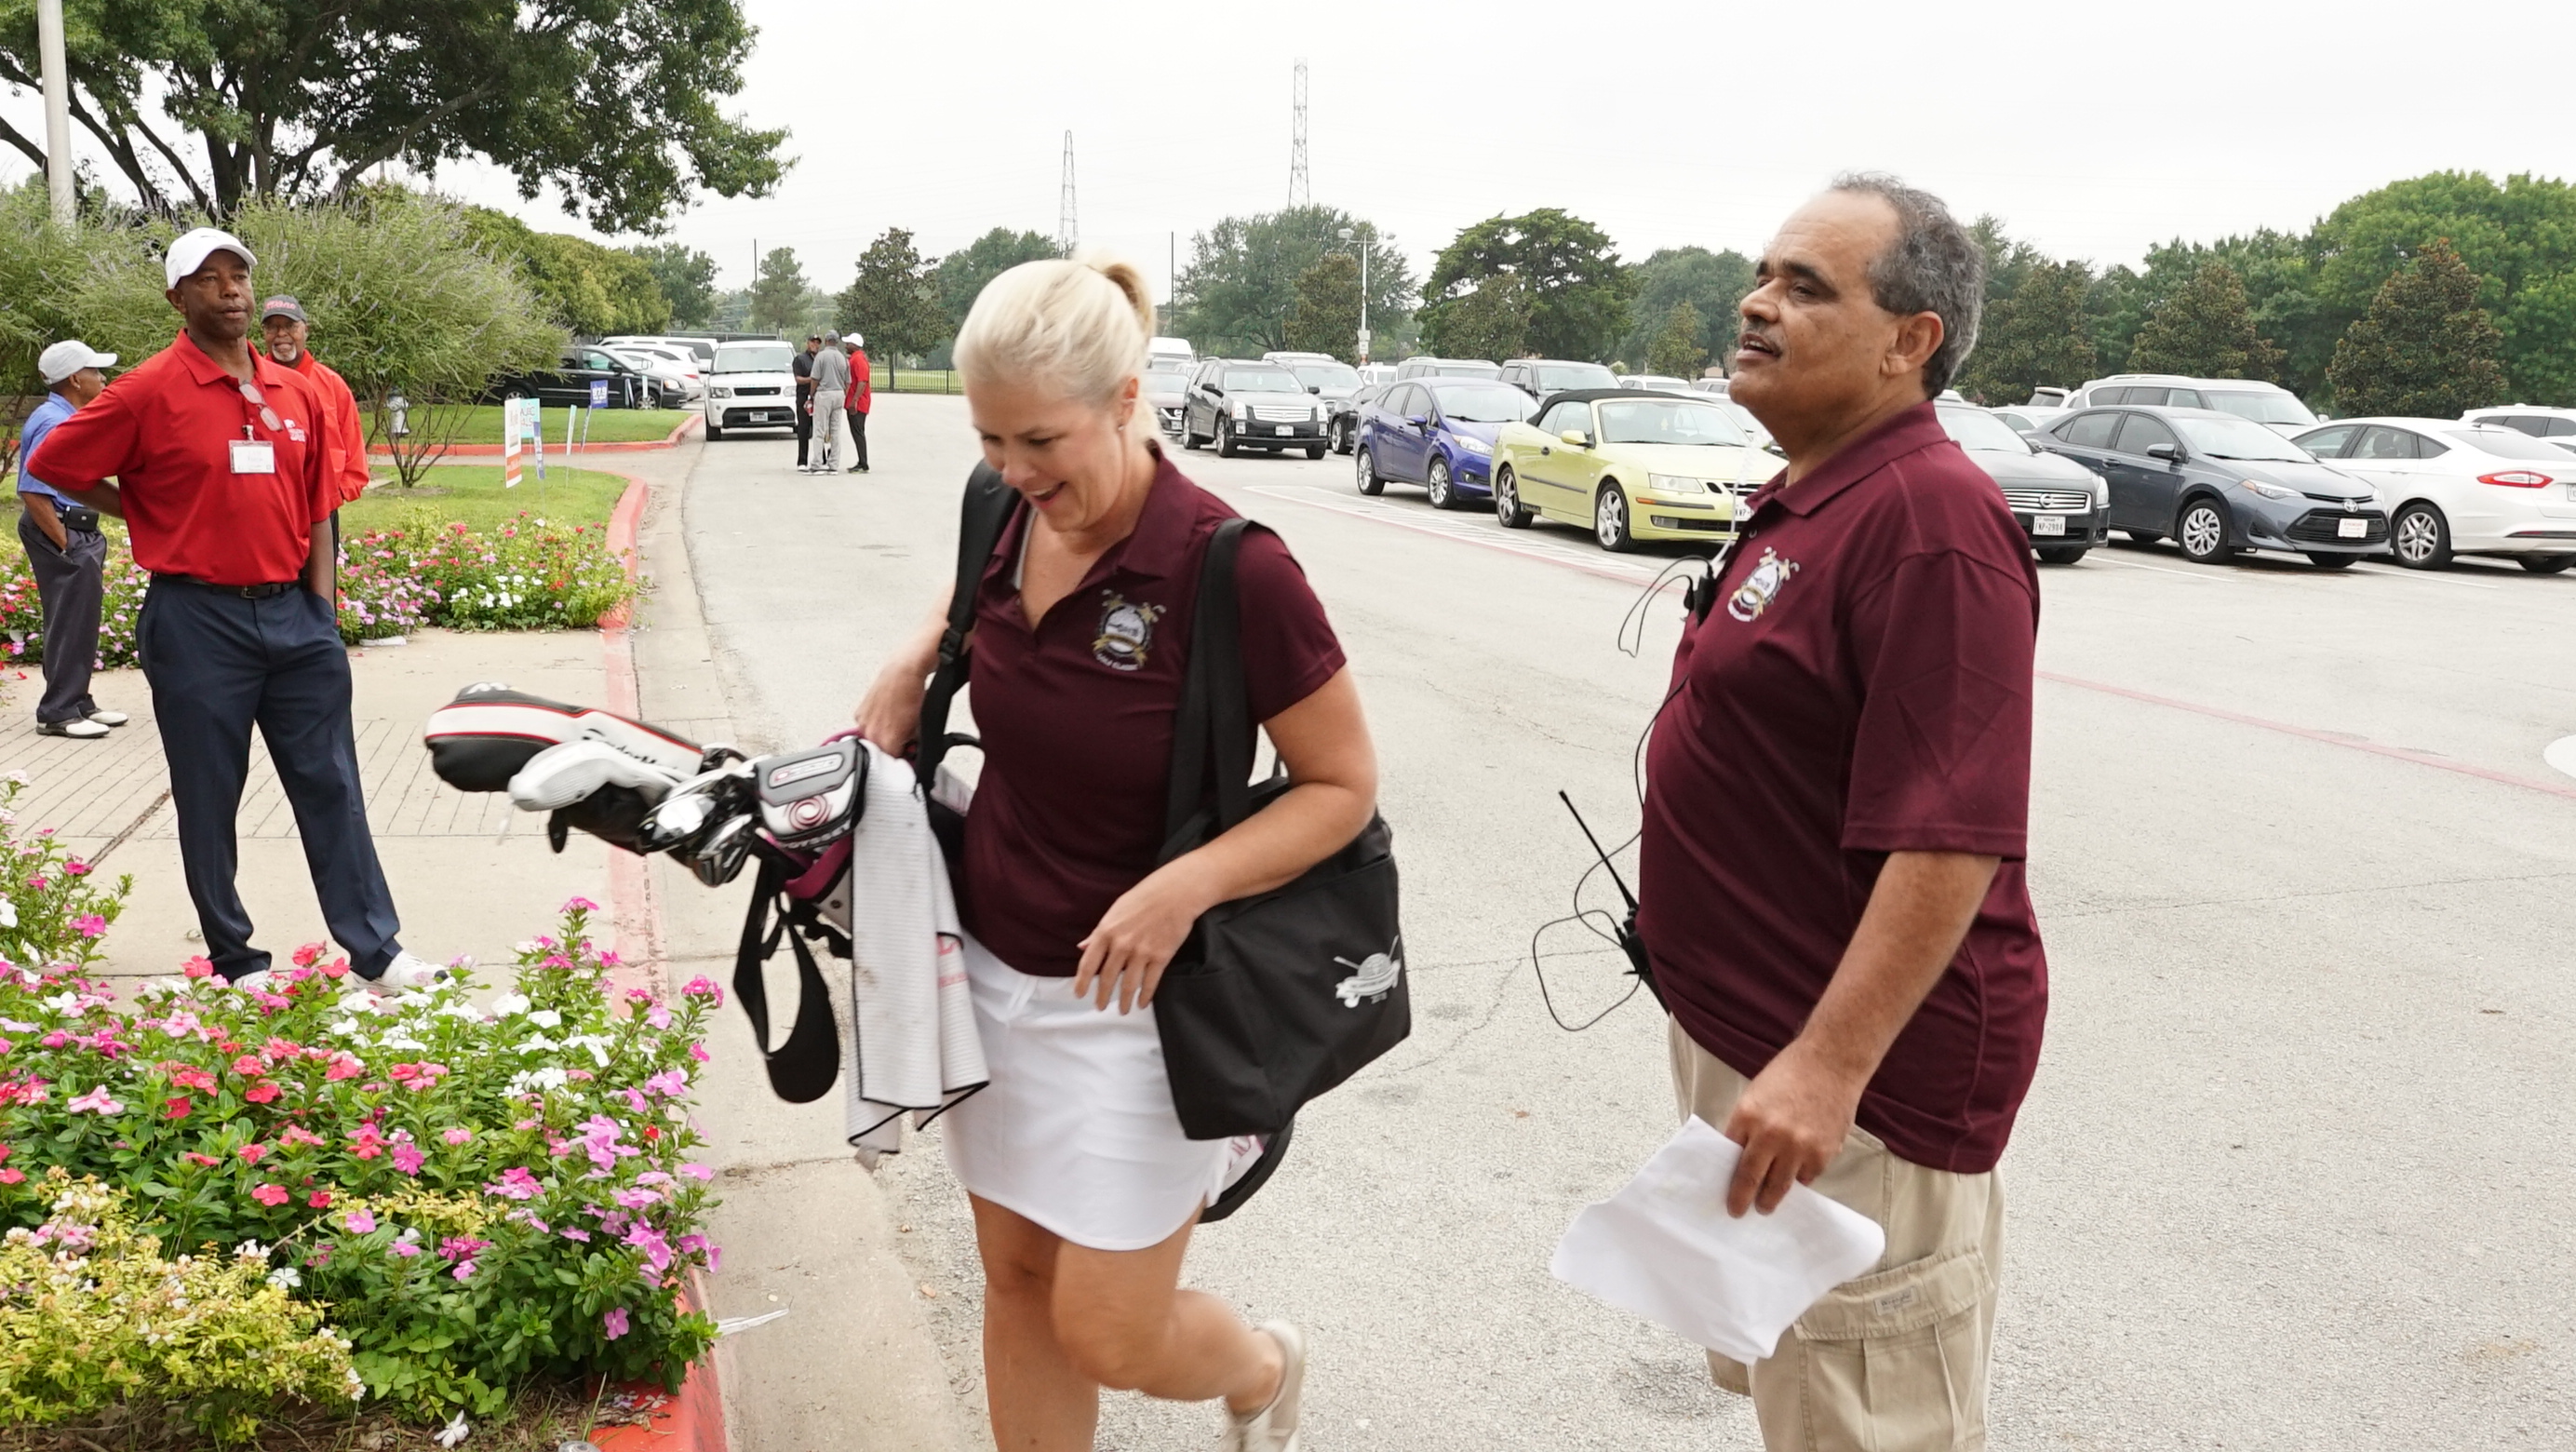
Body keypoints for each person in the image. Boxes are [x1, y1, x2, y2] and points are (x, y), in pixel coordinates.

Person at [851, 257, 1375, 1452]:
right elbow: (972, 599)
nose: (1016, 472)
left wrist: (1183, 887)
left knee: (1109, 1331)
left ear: (1126, 398)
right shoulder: (1001, 511)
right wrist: (912, 655)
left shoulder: (1230, 567)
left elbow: (1342, 790)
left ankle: (1257, 1366)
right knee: (1014, 1278)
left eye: (1042, 440)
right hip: (988, 971)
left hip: (1140, 1004)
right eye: (990, 439)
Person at [1634, 174, 2046, 1451]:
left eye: (1807, 287)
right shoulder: (1827, 490)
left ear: (1907, 341)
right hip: (1767, 1045)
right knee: (1799, 1388)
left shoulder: (1932, 521)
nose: (1758, 304)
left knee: (1870, 1411)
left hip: (1857, 1086)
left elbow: (1953, 833)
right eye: (1763, 276)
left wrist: (1827, 1065)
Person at [22, 227, 449, 996]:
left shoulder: (297, 392)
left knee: (332, 786)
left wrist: (321, 612)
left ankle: (377, 952)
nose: (231, 291)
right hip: (196, 622)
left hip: (295, 618)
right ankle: (236, 961)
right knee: (208, 795)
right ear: (176, 297)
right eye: (210, 279)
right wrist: (146, 513)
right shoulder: (147, 390)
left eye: (239, 277)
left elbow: (319, 506)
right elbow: (52, 467)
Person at [14, 340, 130, 739]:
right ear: (75, 379)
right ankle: (58, 711)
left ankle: (78, 702)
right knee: (69, 620)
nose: (102, 378)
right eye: (96, 372)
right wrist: (66, 543)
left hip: (75, 528)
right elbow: (31, 490)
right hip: (61, 528)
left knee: (79, 619)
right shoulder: (53, 421)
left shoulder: (62, 415)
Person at [259, 295, 371, 524]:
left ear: (305, 330)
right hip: (267, 512)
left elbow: (354, 457)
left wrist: (334, 495)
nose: (281, 334)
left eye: (290, 326)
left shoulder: (332, 385)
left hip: (320, 512)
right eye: (273, 327)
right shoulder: (249, 384)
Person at [805, 330, 851, 475]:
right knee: (835, 430)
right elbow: (848, 381)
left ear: (826, 341)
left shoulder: (821, 356)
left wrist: (811, 394)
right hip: (838, 393)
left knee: (819, 429)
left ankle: (817, 463)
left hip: (824, 393)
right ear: (837, 342)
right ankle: (834, 464)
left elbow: (815, 378)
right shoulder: (843, 358)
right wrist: (844, 394)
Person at [842, 330, 871, 473]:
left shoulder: (858, 360)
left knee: (858, 432)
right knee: (857, 432)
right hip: (856, 401)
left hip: (858, 403)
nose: (846, 345)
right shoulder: (855, 358)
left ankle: (863, 463)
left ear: (854, 345)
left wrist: (854, 401)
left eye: (848, 343)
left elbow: (862, 381)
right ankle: (862, 461)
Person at [793, 333, 820, 468]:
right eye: (812, 342)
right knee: (804, 429)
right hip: (804, 398)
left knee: (819, 429)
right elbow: (798, 379)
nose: (815, 345)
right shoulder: (800, 359)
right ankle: (802, 461)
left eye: (817, 343)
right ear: (807, 343)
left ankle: (821, 459)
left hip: (818, 398)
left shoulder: (820, 359)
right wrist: (813, 379)